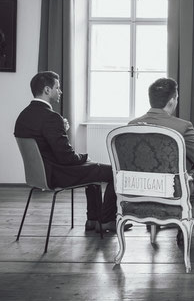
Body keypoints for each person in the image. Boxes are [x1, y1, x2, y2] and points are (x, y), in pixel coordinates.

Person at [129, 78, 194, 249]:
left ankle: (182, 228)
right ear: (172, 101)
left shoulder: (132, 125)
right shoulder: (182, 126)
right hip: (174, 192)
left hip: (141, 192)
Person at [14, 71, 124, 232]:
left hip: (40, 175)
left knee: (92, 170)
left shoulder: (23, 116)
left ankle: (93, 220)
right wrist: (84, 157)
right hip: (57, 174)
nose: (60, 92)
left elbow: (45, 146)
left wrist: (61, 130)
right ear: (46, 90)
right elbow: (67, 157)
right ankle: (106, 220)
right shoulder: (51, 117)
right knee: (114, 172)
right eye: (57, 88)